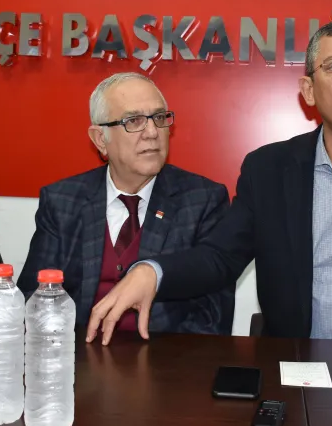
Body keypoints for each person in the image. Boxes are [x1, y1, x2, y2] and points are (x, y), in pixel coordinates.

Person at [87, 18, 332, 358]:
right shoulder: (269, 170)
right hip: (302, 368)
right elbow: (220, 258)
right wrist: (152, 272)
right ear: (308, 90)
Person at [17, 73, 233, 334]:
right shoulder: (63, 201)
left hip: (167, 356)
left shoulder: (203, 200)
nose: (152, 133)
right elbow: (33, 299)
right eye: (134, 121)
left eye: (159, 118)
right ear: (100, 139)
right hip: (79, 353)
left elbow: (212, 318)